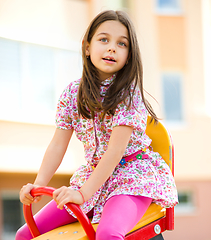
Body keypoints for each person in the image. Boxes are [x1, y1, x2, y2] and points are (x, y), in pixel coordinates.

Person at [16, 10, 178, 240]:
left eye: (122, 44)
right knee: (26, 234)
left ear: (129, 56)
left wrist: (82, 194)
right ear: (87, 47)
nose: (112, 47)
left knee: (108, 234)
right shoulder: (73, 93)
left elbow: (115, 152)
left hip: (131, 177)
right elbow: (57, 145)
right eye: (104, 39)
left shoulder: (128, 94)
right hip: (93, 177)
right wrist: (39, 184)